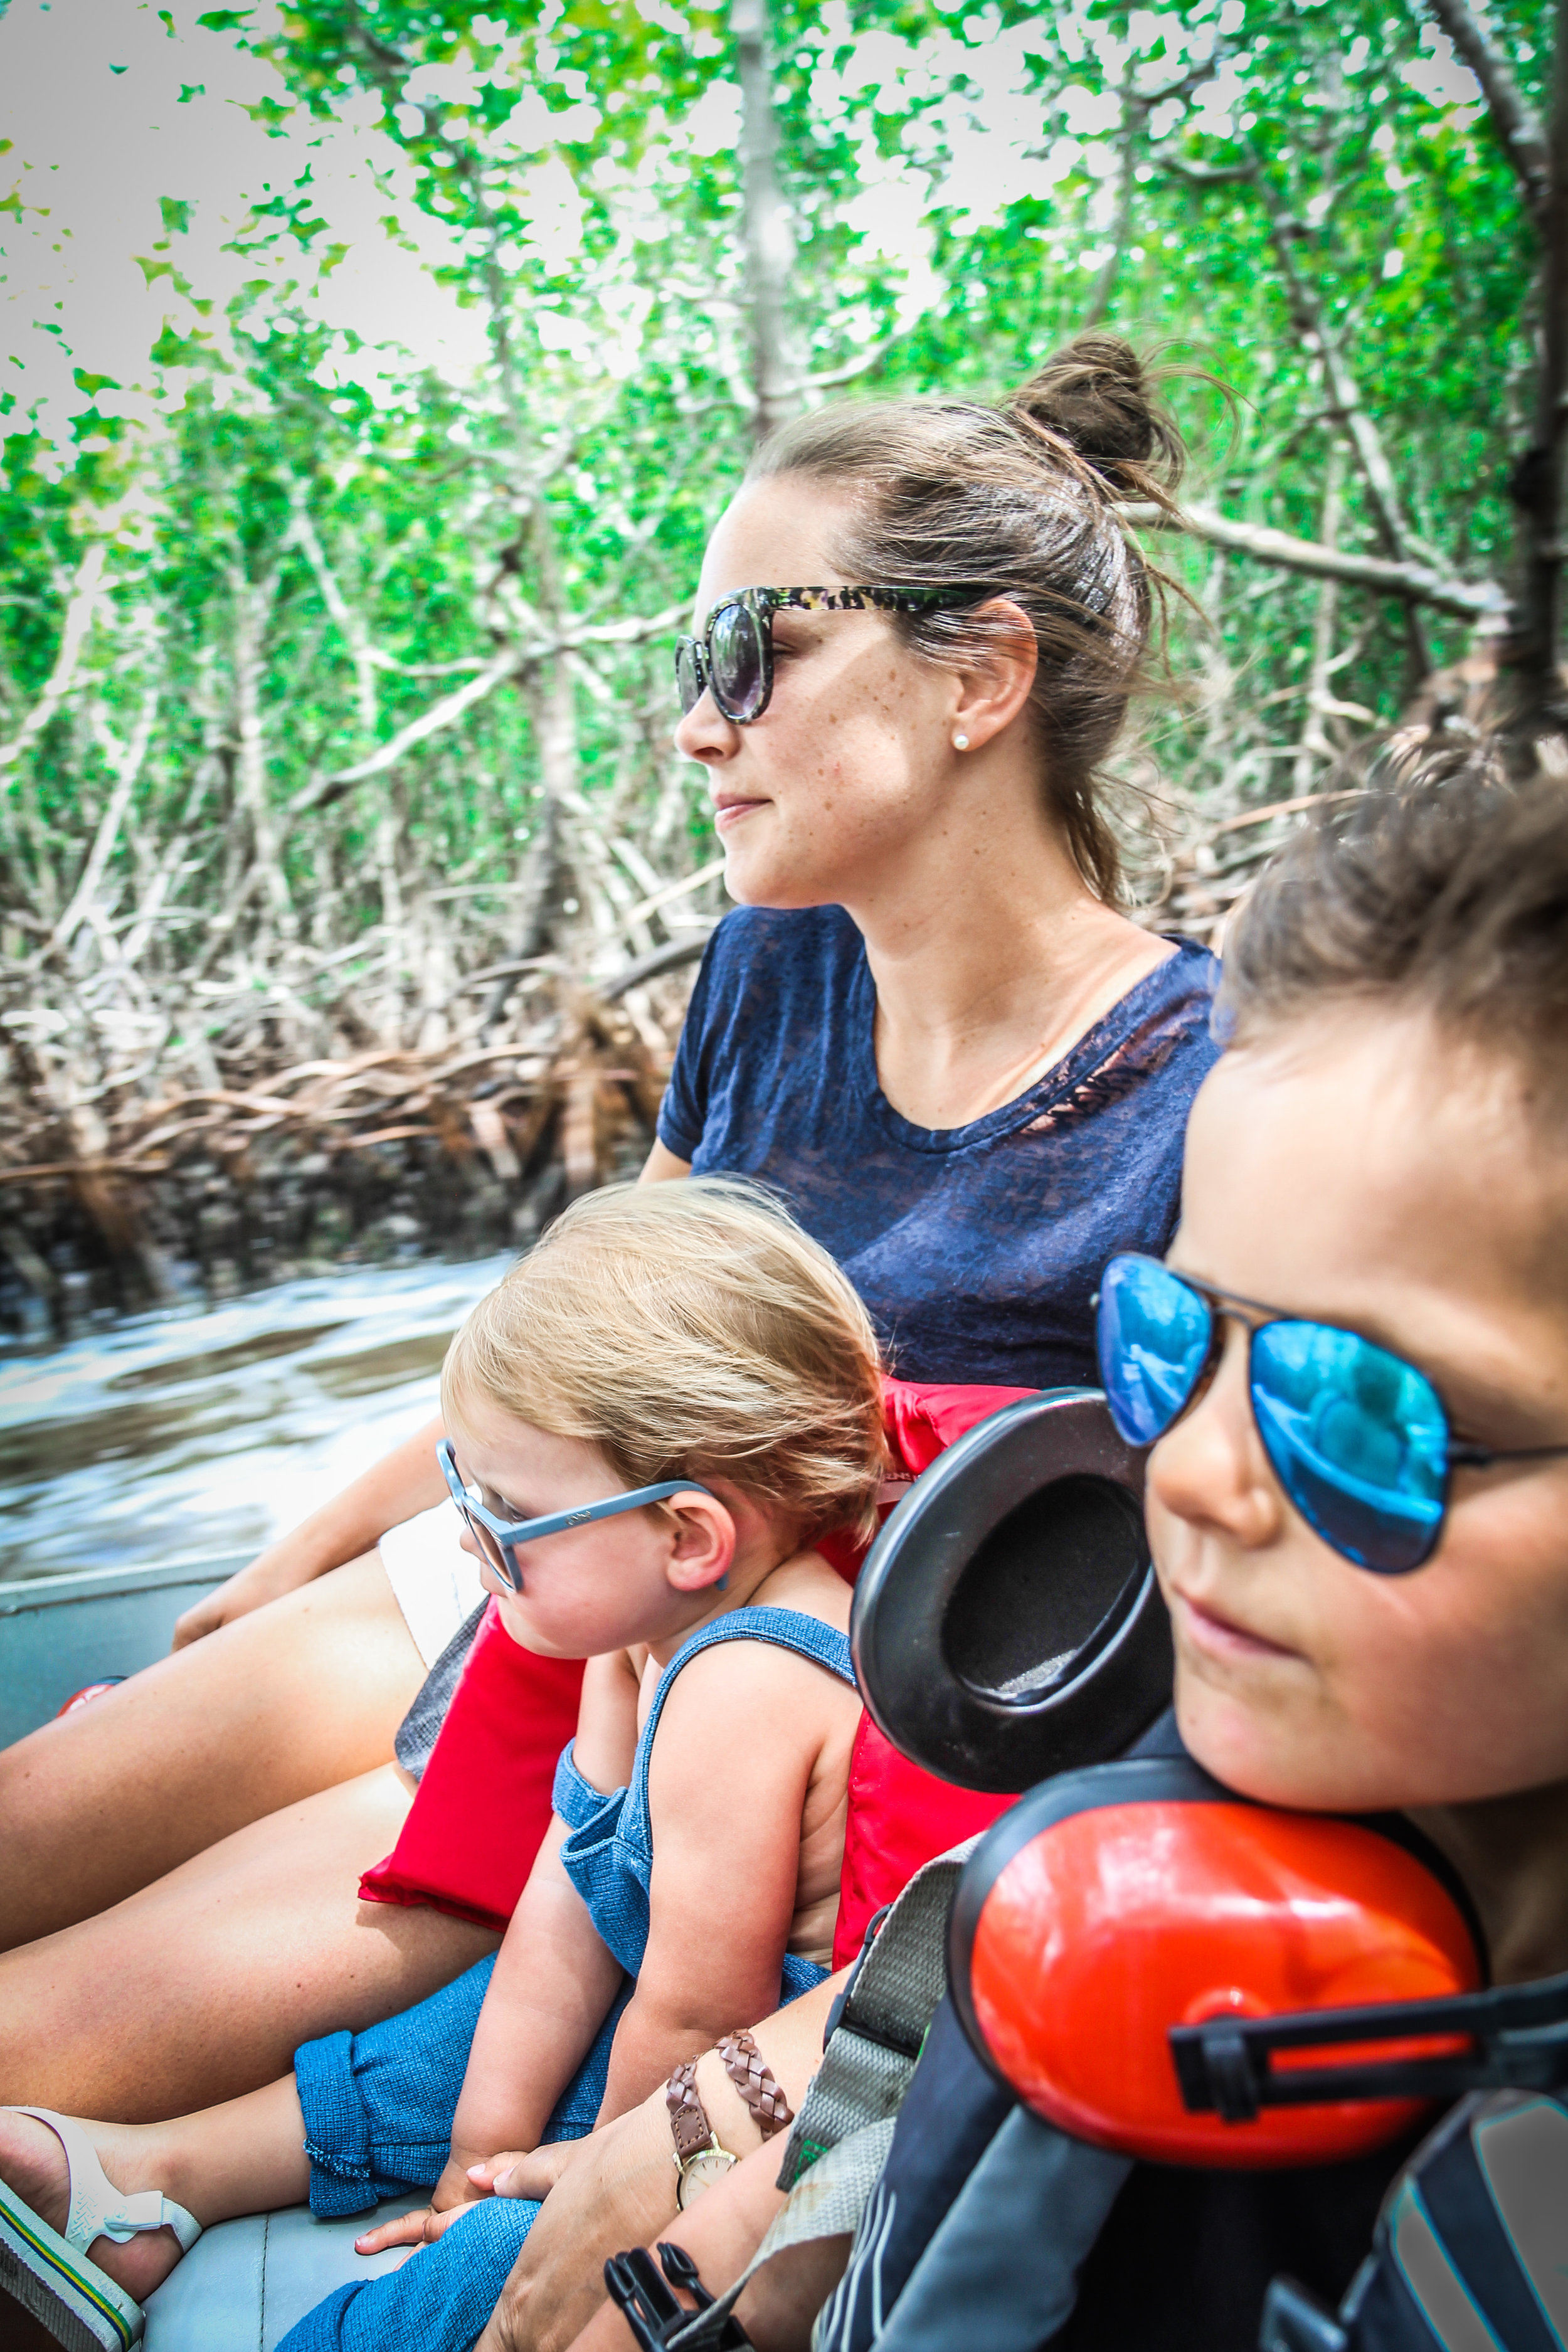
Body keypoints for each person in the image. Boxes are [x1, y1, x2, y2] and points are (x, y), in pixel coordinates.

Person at [0, 333, 1223, 2121]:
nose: (694, 719)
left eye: (754, 647)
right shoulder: (771, 966)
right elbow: (576, 1349)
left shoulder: (1204, 1090)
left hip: (701, 1696)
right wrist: (279, 1570)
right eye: (688, 658)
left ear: (983, 676)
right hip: (527, 1552)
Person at [571, 738, 1568, 2352]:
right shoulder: (1212, 1788)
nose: (1194, 1475)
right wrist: (728, 2184)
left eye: (1360, 1413)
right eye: (1168, 1342)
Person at [0, 1175, 884, 2351]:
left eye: (504, 1514)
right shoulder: (634, 1636)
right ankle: (150, 2187)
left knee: (472, 2280)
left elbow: (694, 2016)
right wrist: (482, 2144)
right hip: (656, 2001)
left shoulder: (748, 1682)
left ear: (686, 1535)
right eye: (463, 1487)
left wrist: (564, 2193)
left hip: (722, 2093)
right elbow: (573, 1895)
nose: (469, 1533)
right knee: (441, 2037)